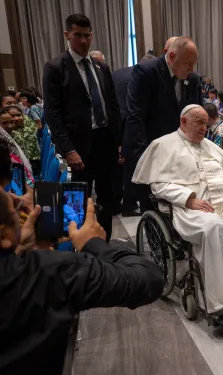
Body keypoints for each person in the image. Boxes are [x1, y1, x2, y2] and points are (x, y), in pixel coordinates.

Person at [133, 104, 223, 321]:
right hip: (190, 205)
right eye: (199, 122)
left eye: (206, 123)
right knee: (215, 227)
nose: (204, 127)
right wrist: (188, 199)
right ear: (184, 122)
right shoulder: (162, 145)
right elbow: (158, 186)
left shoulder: (210, 145)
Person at [0, 189, 163, 374]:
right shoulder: (52, 272)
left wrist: (20, 249)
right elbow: (149, 278)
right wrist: (93, 243)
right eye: (16, 208)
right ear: (4, 236)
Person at [43, 14, 121, 240]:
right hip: (77, 147)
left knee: (107, 199)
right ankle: (77, 248)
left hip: (105, 143)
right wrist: (67, 149)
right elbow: (52, 114)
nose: (84, 41)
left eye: (87, 36)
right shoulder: (56, 67)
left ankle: (104, 243)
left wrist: (119, 142)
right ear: (67, 35)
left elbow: (112, 106)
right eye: (78, 35)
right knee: (77, 200)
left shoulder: (100, 68)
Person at [123, 36, 200, 213]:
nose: (191, 68)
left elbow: (196, 114)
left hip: (181, 154)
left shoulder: (192, 79)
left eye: (194, 63)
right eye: (187, 63)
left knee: (181, 205)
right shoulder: (146, 72)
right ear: (171, 57)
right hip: (151, 150)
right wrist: (145, 157)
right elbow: (135, 117)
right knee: (153, 207)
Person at [6, 106, 40, 175]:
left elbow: (25, 158)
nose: (17, 118)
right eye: (12, 116)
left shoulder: (26, 131)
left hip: (30, 165)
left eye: (19, 115)